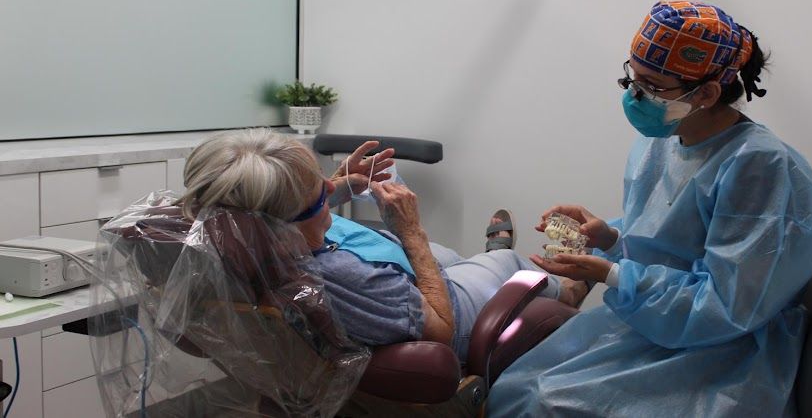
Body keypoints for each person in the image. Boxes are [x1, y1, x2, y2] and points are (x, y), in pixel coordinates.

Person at [487, 0, 812, 417]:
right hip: (660, 323)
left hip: (725, 350)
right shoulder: (663, 142)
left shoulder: (759, 167)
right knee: (519, 386)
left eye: (652, 87)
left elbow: (727, 305)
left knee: (550, 402)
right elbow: (670, 248)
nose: (636, 96)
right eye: (632, 80)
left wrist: (613, 273)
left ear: (706, 92)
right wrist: (608, 239)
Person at [179, 128, 587, 361]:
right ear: (282, 224)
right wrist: (412, 232)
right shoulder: (338, 281)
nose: (331, 187)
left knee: (458, 259)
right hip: (447, 311)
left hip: (390, 265)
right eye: (320, 194)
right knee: (514, 265)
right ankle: (571, 286)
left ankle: (479, 262)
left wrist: (340, 183)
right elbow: (441, 332)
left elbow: (287, 212)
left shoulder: (239, 235)